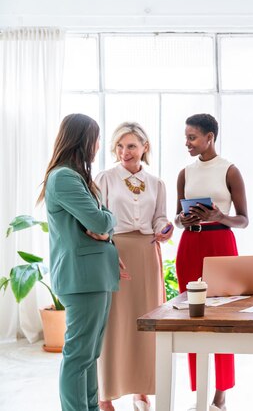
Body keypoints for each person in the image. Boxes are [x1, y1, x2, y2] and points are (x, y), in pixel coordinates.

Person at [38, 113, 128, 411]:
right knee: (79, 355)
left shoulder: (77, 177)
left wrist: (105, 227)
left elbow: (100, 225)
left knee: (90, 355)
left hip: (94, 276)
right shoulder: (63, 177)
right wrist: (108, 222)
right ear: (83, 140)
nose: (100, 145)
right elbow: (100, 221)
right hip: (82, 278)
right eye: (97, 138)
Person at [94, 122, 173, 411]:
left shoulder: (157, 183)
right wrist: (107, 249)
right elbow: (97, 219)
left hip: (147, 253)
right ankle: (106, 394)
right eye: (119, 146)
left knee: (147, 320)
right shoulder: (104, 179)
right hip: (115, 251)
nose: (124, 152)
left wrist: (165, 227)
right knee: (114, 323)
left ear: (144, 147)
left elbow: (160, 217)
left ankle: (142, 390)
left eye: (130, 146)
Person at [174, 113, 249, 411]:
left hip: (220, 244)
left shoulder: (229, 170)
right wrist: (182, 218)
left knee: (222, 318)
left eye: (192, 137)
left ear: (210, 137)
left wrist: (220, 216)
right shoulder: (185, 172)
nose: (187, 143)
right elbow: (177, 218)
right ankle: (200, 391)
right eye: (186, 137)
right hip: (190, 244)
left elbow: (243, 220)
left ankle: (221, 393)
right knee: (193, 318)